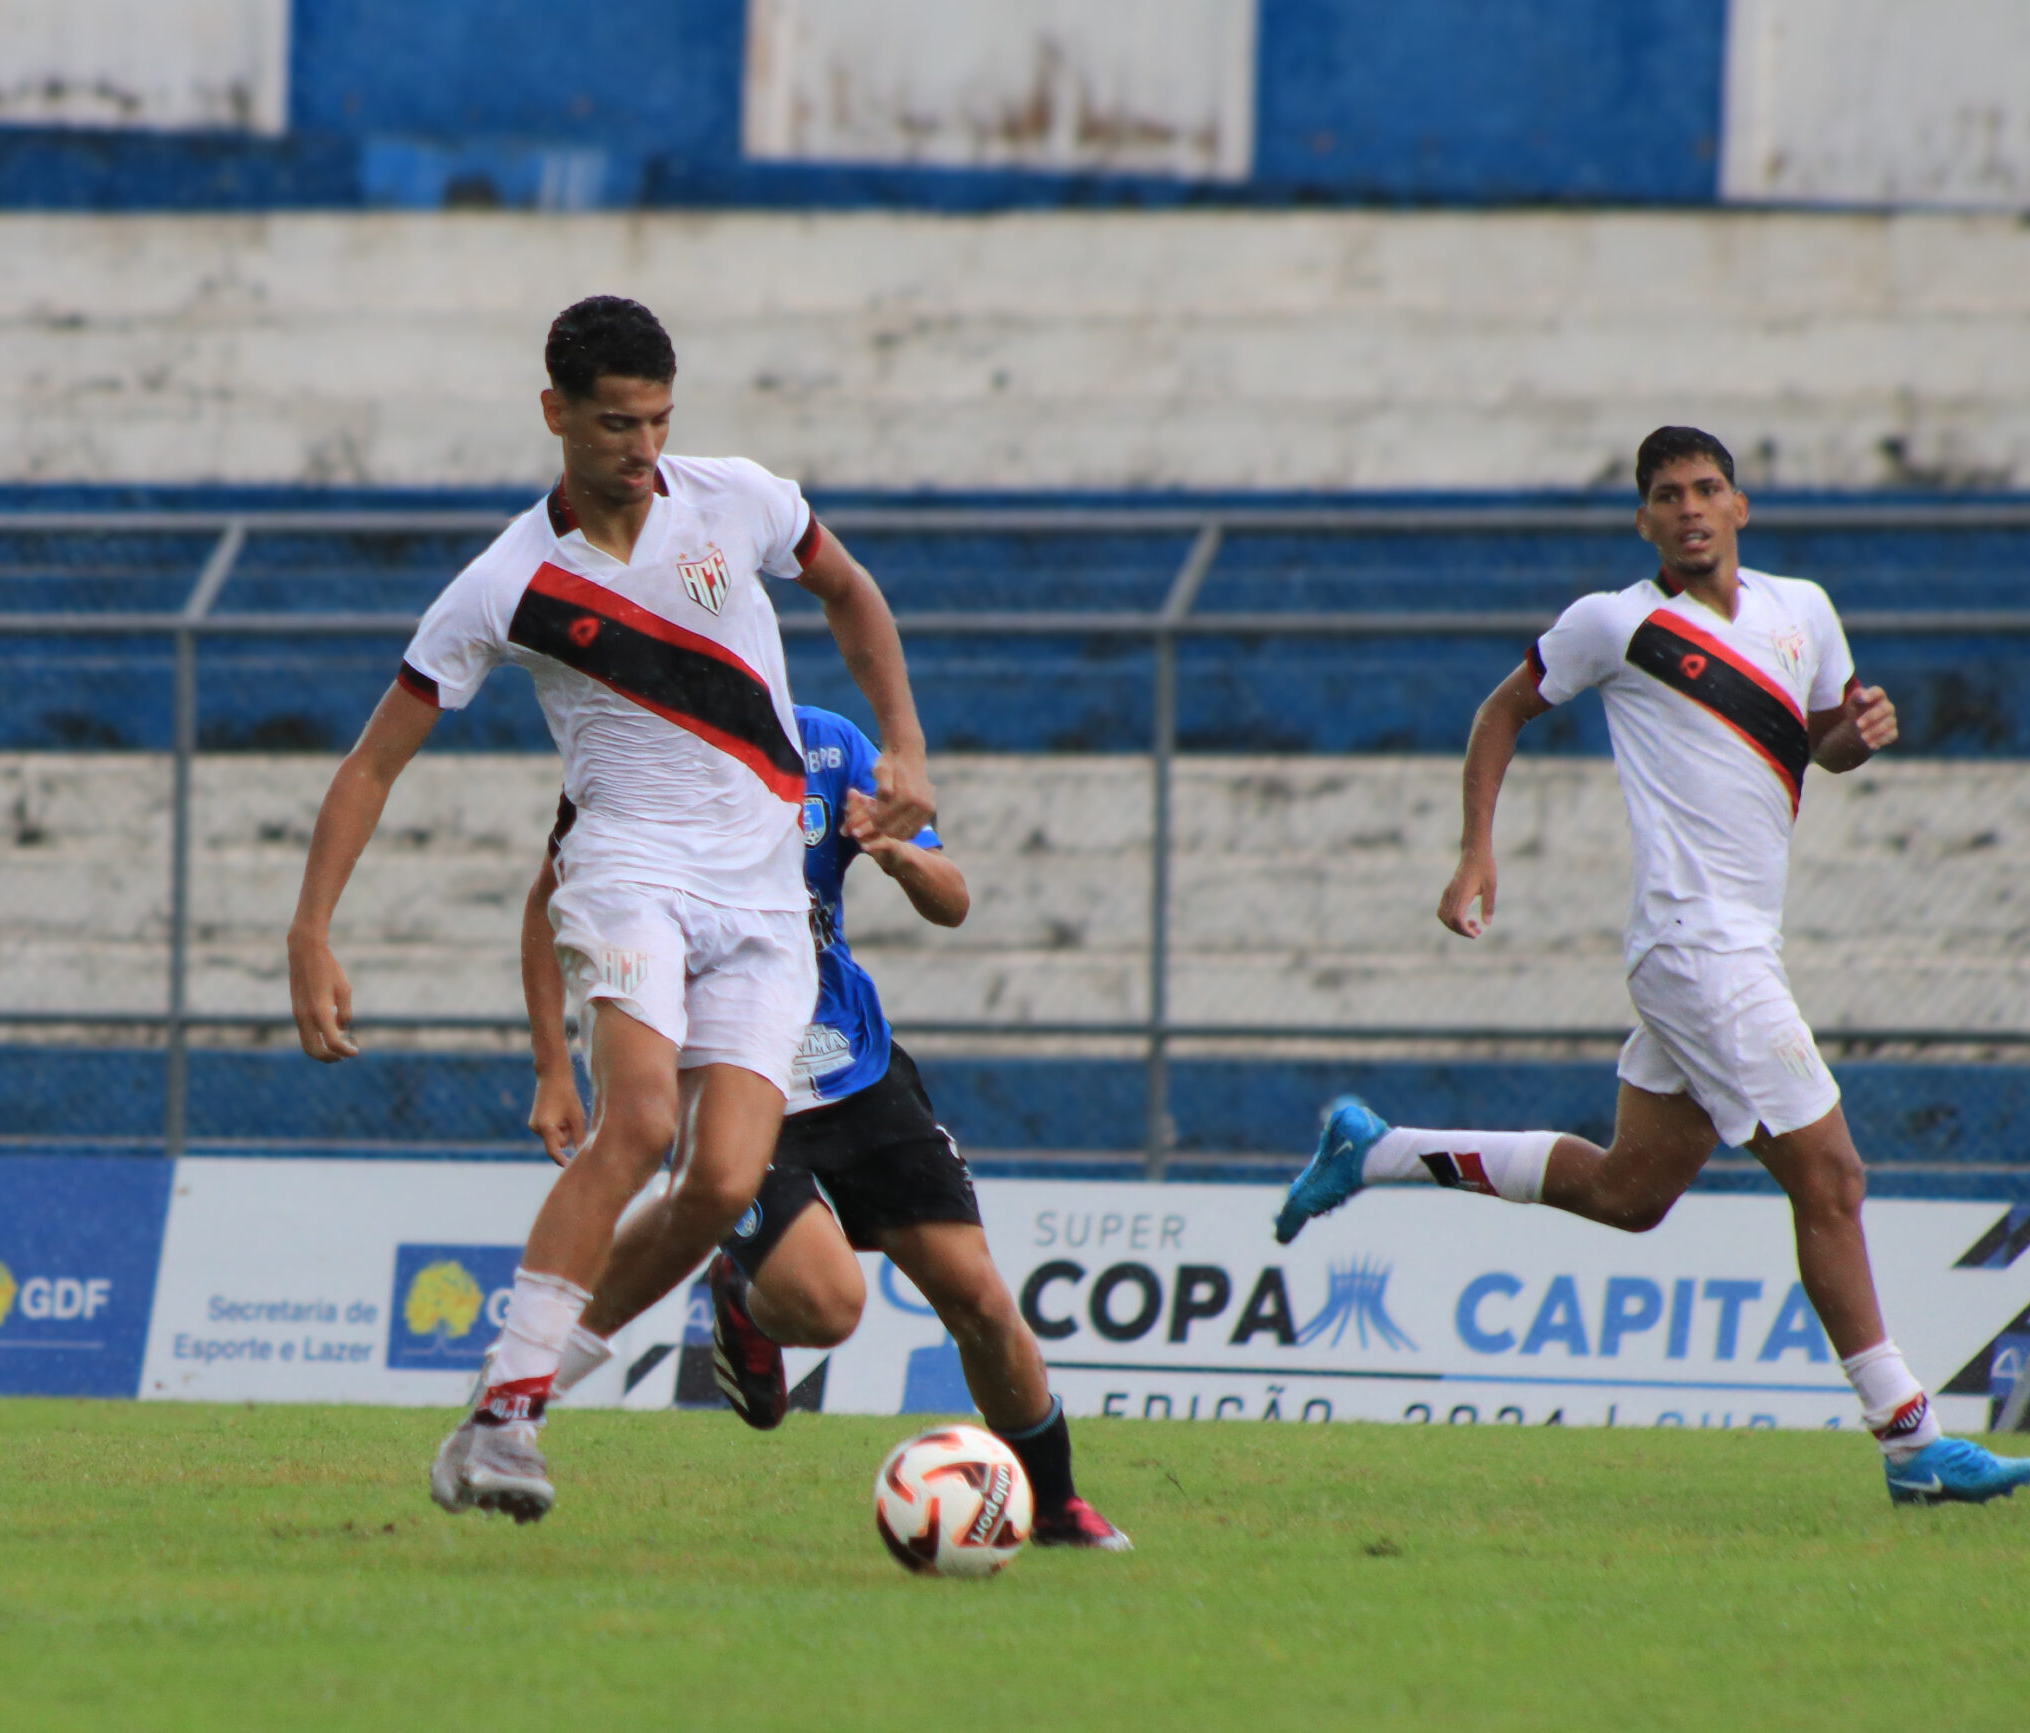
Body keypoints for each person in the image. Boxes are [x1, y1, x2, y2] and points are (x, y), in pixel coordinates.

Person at [1274, 425, 2030, 1506]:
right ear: (1643, 519)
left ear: (1739, 506)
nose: (1688, 507)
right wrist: (1475, 849)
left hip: (1734, 942)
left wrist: (1861, 731)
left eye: (1706, 488)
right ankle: (1910, 1440)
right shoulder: (1614, 623)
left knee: (1631, 1191)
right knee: (1832, 1177)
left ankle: (1377, 1150)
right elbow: (1502, 708)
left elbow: (1822, 739)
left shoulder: (1801, 609)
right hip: (1693, 945)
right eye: (1667, 494)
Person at [286, 297, 935, 1522]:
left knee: (717, 1179)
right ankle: (506, 1421)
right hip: (629, 871)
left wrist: (903, 745)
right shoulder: (507, 582)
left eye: (658, 421)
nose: (643, 448)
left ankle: (502, 1413)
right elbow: (373, 764)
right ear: (555, 415)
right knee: (637, 1125)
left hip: (761, 900)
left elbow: (850, 593)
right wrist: (310, 927)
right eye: (615, 424)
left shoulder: (736, 498)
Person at [519, 705, 1130, 1548]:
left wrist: (899, 854)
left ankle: (1056, 1505)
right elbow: (545, 905)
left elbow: (953, 901)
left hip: (857, 1069)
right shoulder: (637, 758)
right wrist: (554, 1066)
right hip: (729, 1084)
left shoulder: (830, 745)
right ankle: (747, 1299)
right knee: (830, 1305)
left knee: (978, 1296)